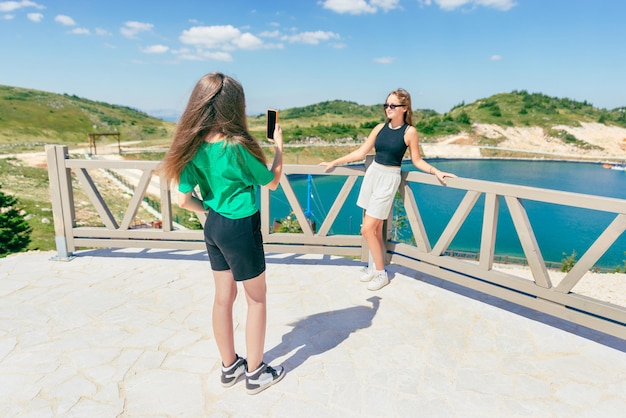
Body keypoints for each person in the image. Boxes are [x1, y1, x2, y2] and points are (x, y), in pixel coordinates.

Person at [159, 72, 285, 395]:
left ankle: (230, 367)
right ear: (233, 107)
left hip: (214, 226)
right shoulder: (237, 147)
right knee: (256, 299)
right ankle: (256, 372)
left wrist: (207, 212)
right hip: (241, 226)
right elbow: (271, 181)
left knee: (222, 299)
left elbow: (184, 199)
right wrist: (279, 149)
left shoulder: (192, 146)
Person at [320, 88, 457, 291]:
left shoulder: (410, 132)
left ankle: (381, 273)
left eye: (393, 105)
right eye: (386, 105)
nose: (388, 109)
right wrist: (334, 162)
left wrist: (435, 171)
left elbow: (417, 160)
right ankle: (374, 267)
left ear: (405, 108)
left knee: (367, 229)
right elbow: (361, 152)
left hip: (389, 179)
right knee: (371, 228)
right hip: (373, 174)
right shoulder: (379, 128)